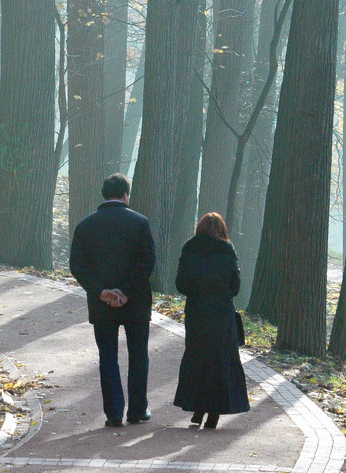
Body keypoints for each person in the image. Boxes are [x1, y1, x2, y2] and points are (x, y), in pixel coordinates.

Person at [69, 173, 156, 428]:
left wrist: (102, 292)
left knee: (108, 357)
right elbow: (147, 262)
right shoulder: (140, 223)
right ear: (126, 194)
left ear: (104, 194)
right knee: (138, 355)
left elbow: (78, 265)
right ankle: (137, 410)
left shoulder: (86, 226)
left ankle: (114, 414)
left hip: (101, 304)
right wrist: (126, 291)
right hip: (136, 302)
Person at [173, 212, 249, 429]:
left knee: (197, 358)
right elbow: (235, 287)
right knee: (221, 362)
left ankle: (197, 407)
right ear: (222, 230)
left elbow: (181, 284)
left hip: (197, 313)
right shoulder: (227, 250)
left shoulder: (190, 248)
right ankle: (214, 412)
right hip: (221, 314)